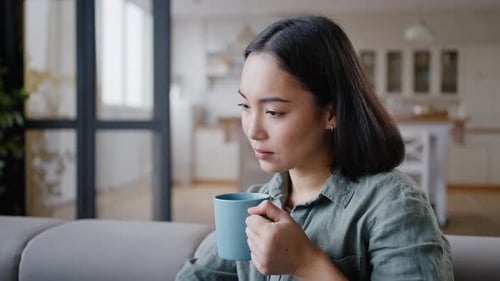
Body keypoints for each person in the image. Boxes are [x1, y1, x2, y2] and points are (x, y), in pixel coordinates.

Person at [176, 15, 453, 281]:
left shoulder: (394, 206)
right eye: (245, 106)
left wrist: (306, 263)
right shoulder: (257, 203)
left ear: (330, 113)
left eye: (273, 111)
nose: (252, 130)